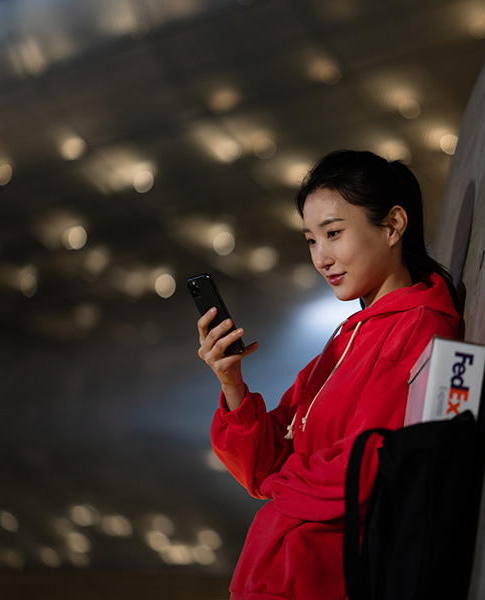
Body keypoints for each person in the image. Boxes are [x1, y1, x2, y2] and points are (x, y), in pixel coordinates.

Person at [196, 150, 461, 600]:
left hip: (329, 579)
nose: (322, 257)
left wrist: (282, 485)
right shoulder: (347, 338)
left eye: (334, 233)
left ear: (394, 225)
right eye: (311, 240)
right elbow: (262, 466)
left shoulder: (419, 328)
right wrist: (232, 384)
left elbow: (366, 469)